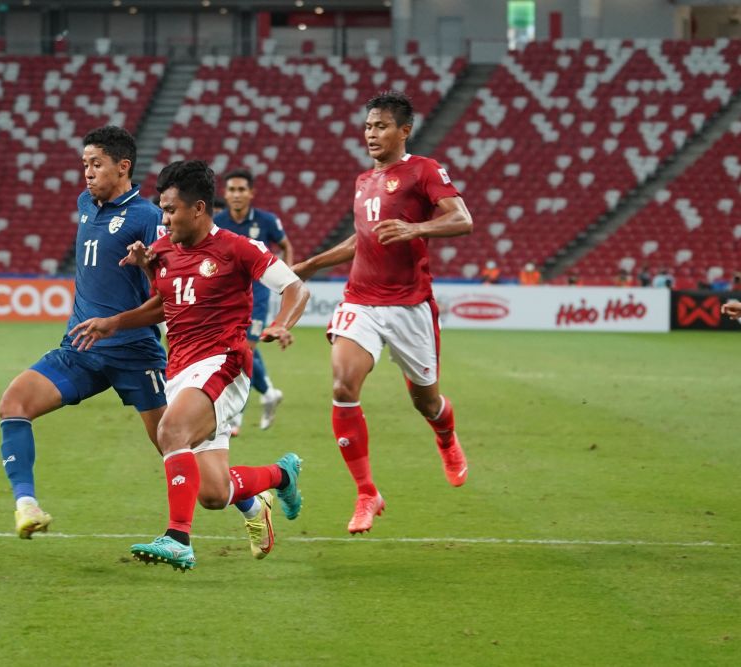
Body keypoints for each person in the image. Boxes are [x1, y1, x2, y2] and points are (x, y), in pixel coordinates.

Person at [72, 160, 311, 571]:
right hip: (181, 368)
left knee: (171, 430)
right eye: (162, 210)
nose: (163, 219)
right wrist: (115, 321)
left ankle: (178, 538)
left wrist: (280, 324)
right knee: (214, 493)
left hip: (225, 363)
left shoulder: (237, 248)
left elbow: (295, 287)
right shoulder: (162, 250)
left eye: (170, 210)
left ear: (198, 209)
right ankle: (281, 475)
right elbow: (165, 305)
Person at [291, 91, 473, 534]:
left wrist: (418, 227)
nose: (371, 134)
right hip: (361, 301)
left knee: (425, 400)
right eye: (369, 126)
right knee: (342, 382)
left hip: (410, 305)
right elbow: (363, 240)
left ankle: (445, 435)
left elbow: (462, 218)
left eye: (381, 126)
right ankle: (367, 492)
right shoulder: (363, 180)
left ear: (403, 130)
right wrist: (311, 265)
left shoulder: (424, 170)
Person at [214, 168, 294, 435]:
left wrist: (287, 276)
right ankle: (269, 391)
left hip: (257, 298)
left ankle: (235, 416)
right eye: (232, 190)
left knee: (244, 350)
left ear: (251, 193)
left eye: (241, 190)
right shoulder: (219, 221)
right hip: (228, 297)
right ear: (225, 194)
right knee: (240, 351)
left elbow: (285, 245)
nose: (236, 195)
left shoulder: (267, 220)